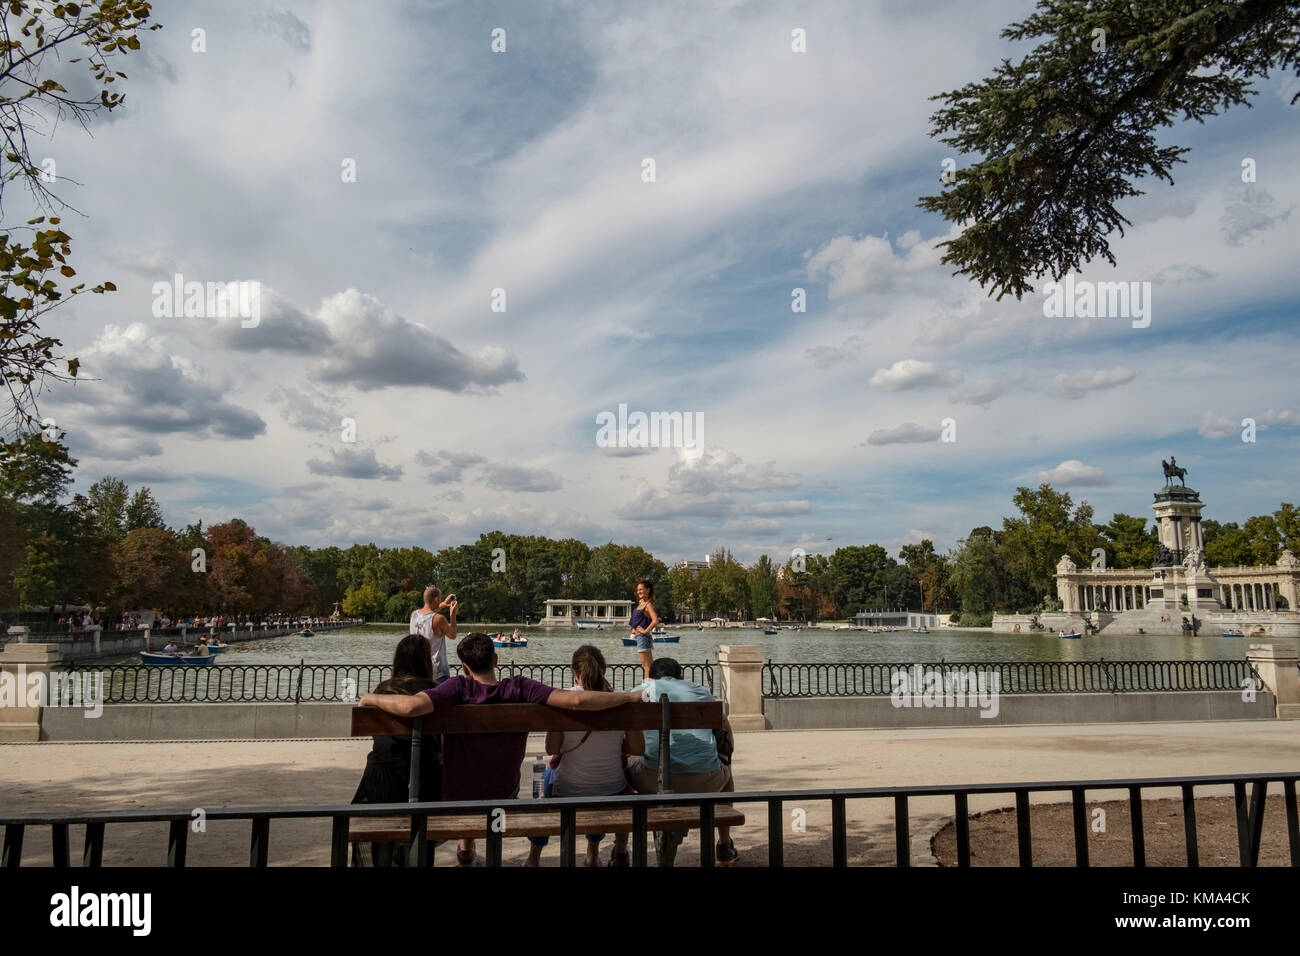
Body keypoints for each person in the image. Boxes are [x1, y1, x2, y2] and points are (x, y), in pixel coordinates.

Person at [359, 632, 642, 866]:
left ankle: (466, 849)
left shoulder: (457, 688)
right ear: (496, 659)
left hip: (456, 798)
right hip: (504, 795)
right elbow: (576, 702)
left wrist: (370, 697)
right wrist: (628, 697)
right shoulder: (520, 687)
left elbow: (410, 707)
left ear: (464, 667)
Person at [524, 645, 644, 867]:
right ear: (604, 670)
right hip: (612, 789)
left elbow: (552, 749)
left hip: (567, 790)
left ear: (573, 672)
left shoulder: (563, 700)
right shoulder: (624, 700)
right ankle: (593, 852)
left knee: (545, 780)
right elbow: (637, 749)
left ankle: (533, 857)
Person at [627, 657, 738, 866]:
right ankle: (724, 844)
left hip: (652, 780)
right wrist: (727, 756)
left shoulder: (641, 690)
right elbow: (723, 724)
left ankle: (621, 850)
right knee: (727, 772)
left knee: (625, 768)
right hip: (705, 781)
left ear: (651, 677)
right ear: (680, 676)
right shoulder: (701, 691)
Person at [351, 634, 444, 866]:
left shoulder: (382, 690)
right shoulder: (435, 691)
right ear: (426, 661)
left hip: (383, 782)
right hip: (428, 782)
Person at [410, 585, 459, 681]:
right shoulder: (439, 619)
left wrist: (444, 604)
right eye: (440, 598)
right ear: (436, 599)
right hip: (437, 673)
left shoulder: (414, 615)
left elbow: (428, 614)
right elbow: (453, 635)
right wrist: (453, 615)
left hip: (418, 669)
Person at [629, 579, 660, 677]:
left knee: (646, 666)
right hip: (640, 638)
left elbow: (655, 620)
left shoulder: (648, 605)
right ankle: (652, 686)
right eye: (638, 590)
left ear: (648, 590)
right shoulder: (641, 603)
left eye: (641, 589)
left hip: (643, 637)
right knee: (649, 665)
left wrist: (645, 630)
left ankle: (647, 688)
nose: (639, 592)